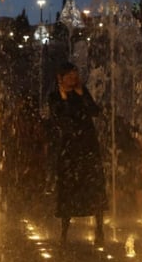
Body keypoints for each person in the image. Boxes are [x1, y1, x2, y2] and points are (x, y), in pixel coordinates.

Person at [46, 62, 108, 246]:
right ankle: (64, 232)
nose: (74, 79)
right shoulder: (55, 96)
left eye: (76, 75)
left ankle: (99, 229)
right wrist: (65, 100)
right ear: (61, 78)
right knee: (68, 189)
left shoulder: (82, 92)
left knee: (94, 187)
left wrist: (82, 95)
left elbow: (95, 112)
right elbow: (61, 119)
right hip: (69, 149)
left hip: (88, 147)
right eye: (70, 76)